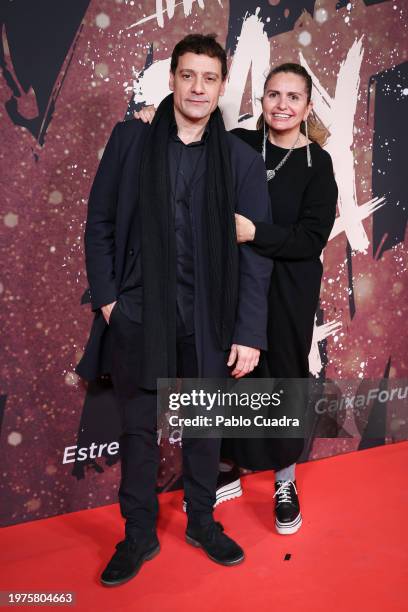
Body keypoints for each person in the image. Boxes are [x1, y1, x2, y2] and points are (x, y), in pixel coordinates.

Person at [75, 34, 272, 587]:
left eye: (210, 78)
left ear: (223, 86)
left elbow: (254, 256)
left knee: (205, 427)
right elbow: (101, 225)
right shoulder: (130, 141)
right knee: (139, 428)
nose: (198, 88)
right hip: (140, 312)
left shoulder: (239, 160)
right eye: (188, 75)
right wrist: (110, 300)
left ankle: (202, 522)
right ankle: (137, 534)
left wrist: (248, 332)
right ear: (172, 79)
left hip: (209, 317)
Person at [136, 63, 338, 536]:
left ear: (308, 107)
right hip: (238, 280)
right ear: (261, 100)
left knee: (282, 376)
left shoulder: (318, 163)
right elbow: (191, 133)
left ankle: (284, 482)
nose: (282, 105)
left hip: (290, 288)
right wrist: (155, 117)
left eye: (293, 97)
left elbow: (311, 239)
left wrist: (254, 232)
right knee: (230, 367)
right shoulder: (242, 143)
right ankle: (224, 465)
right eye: (273, 95)